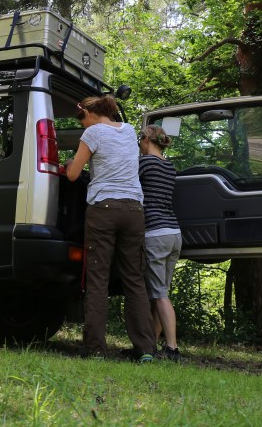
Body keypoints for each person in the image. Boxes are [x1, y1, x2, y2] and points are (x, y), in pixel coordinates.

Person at [63, 95, 156, 362]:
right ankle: (146, 349)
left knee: (98, 280)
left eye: (80, 118)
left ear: (89, 114)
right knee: (135, 280)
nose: (81, 124)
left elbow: (72, 174)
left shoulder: (92, 133)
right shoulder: (128, 130)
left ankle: (95, 349)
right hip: (134, 209)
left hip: (103, 209)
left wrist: (71, 162)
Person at [138, 124, 183, 362]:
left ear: (146, 139)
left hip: (155, 233)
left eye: (140, 141)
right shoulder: (169, 166)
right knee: (160, 292)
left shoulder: (144, 163)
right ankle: (151, 346)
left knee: (159, 294)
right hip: (174, 233)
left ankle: (172, 347)